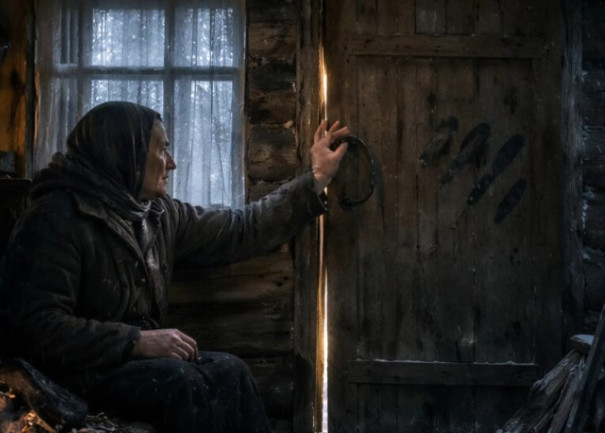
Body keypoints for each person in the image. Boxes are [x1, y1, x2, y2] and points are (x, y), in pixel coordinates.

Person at [0, 101, 348, 432]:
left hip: (130, 365)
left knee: (231, 371)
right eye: (161, 150)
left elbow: (240, 228)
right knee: (180, 382)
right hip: (71, 376)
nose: (172, 163)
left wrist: (316, 179)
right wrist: (136, 341)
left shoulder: (154, 213)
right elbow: (35, 327)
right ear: (125, 153)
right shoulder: (56, 217)